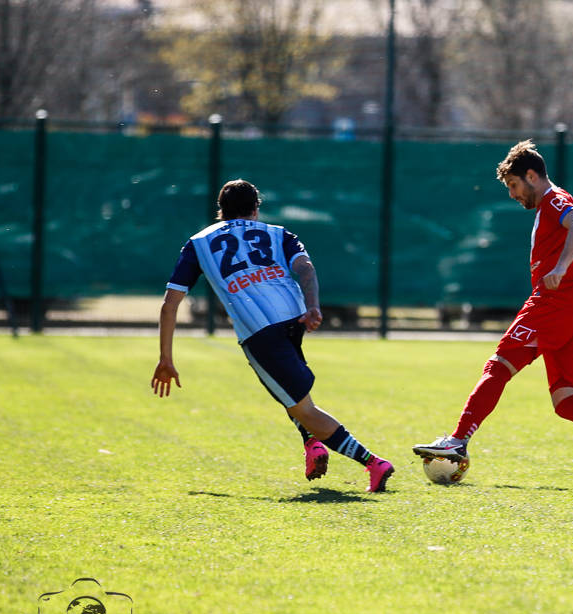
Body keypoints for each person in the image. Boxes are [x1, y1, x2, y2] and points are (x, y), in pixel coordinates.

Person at [413, 141, 573, 487]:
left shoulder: (555, 200)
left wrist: (559, 267)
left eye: (513, 185)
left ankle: (458, 440)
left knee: (498, 366)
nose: (512, 194)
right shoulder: (553, 204)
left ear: (531, 175)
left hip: (553, 305)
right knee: (567, 401)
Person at [151, 179, 394, 492]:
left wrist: (165, 358)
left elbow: (170, 305)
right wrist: (313, 306)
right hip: (293, 315)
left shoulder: (198, 243)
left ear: (219, 211)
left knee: (302, 407)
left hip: (259, 328)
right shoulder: (280, 234)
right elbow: (305, 268)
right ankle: (313, 446)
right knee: (289, 392)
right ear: (255, 210)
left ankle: (373, 463)